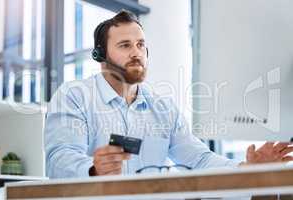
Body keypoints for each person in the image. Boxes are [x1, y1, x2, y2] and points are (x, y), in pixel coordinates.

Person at [44, 10, 293, 178]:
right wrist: (93, 169)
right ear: (100, 56)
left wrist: (245, 168)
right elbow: (59, 158)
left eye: (141, 44)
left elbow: (199, 159)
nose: (136, 52)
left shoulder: (163, 108)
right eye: (125, 45)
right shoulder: (74, 96)